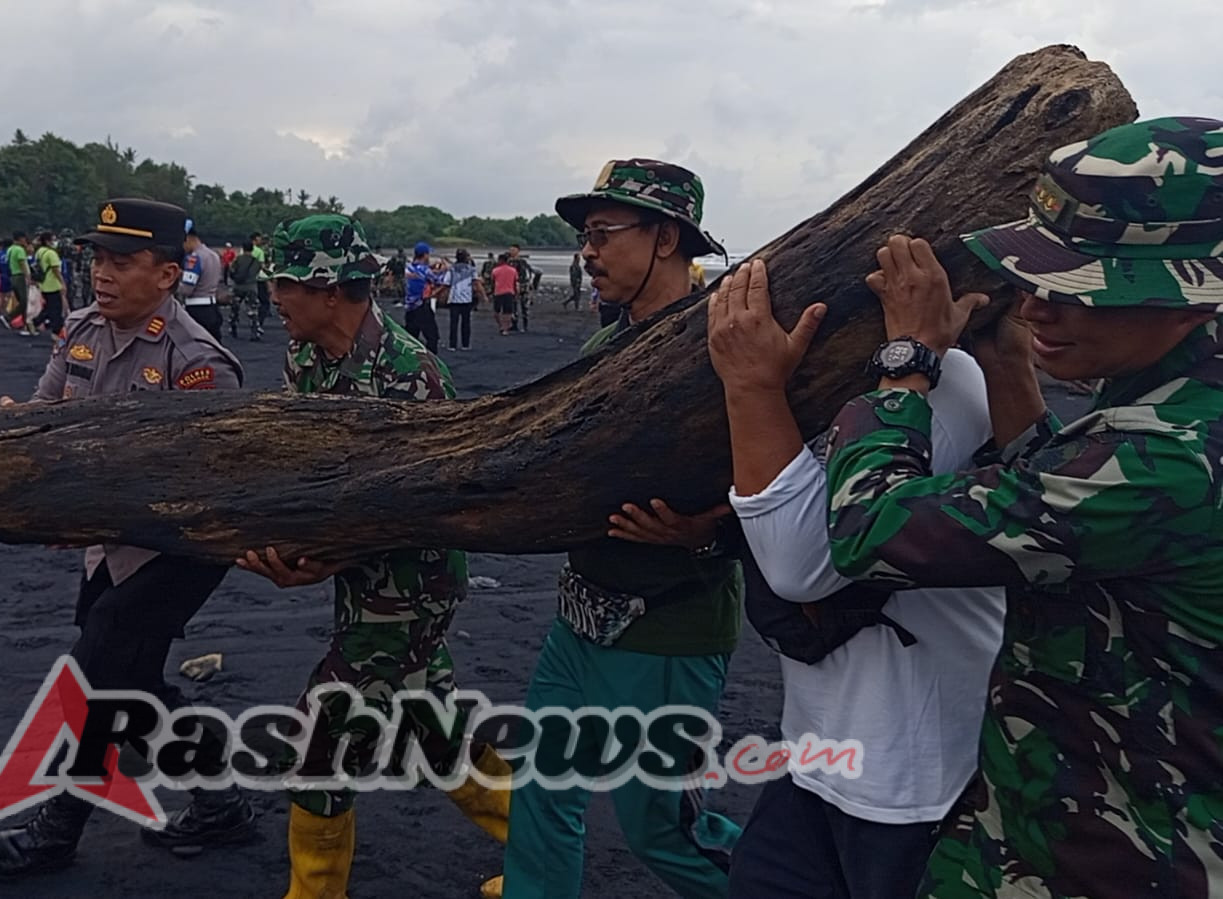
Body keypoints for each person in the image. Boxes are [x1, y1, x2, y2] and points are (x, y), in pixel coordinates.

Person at [822, 116, 1223, 899]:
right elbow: (1066, 516)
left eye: (1084, 291)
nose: (1040, 307)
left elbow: (868, 529)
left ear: (1189, 299)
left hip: (1098, 863)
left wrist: (904, 361)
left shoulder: (1168, 458)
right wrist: (1008, 366)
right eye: (1036, 279)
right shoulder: (1177, 406)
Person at [0, 199, 254, 883]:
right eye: (98, 258)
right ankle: (218, 802)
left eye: (122, 261)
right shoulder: (82, 328)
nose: (101, 273)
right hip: (108, 538)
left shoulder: (198, 364)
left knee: (94, 677)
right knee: (139, 684)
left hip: (180, 547)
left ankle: (55, 829)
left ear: (167, 274)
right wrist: (18, 438)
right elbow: (45, 416)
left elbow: (198, 488)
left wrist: (87, 509)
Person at [705, 257, 1007, 899]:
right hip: (817, 755)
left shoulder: (949, 384)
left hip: (918, 779)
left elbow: (803, 562)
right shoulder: (824, 398)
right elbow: (781, 507)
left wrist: (752, 389)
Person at [487, 159, 741, 899]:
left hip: (665, 631)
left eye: (602, 233)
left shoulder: (722, 343)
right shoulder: (599, 351)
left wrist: (703, 531)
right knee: (539, 792)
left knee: (662, 827)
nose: (586, 253)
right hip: (578, 620)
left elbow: (788, 472)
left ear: (665, 237)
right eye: (582, 237)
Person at [239, 214, 510, 898]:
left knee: (316, 744)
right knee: (437, 735)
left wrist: (327, 554)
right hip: (357, 579)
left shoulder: (410, 377)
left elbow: (429, 505)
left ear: (329, 288)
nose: (273, 295)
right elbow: (303, 470)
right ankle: (542, 857)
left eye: (285, 282)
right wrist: (296, 546)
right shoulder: (305, 357)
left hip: (411, 584)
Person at [177, 225, 224, 340]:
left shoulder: (194, 258)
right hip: (212, 307)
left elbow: (187, 289)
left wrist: (172, 284)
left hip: (197, 311)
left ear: (188, 238)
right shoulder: (213, 255)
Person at [402, 241, 441, 351]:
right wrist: (443, 270)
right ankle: (432, 361)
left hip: (409, 307)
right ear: (425, 255)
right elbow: (437, 280)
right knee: (432, 336)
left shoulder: (408, 267)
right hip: (421, 306)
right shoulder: (425, 270)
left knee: (411, 337)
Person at [445, 248, 484, 351]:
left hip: (454, 299)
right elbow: (476, 283)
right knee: (466, 323)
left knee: (453, 323)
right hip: (467, 299)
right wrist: (483, 295)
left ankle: (452, 345)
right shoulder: (471, 269)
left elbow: (446, 283)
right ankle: (465, 344)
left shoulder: (452, 269)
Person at [228, 235, 264, 340]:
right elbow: (258, 272)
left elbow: (231, 271)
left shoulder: (238, 260)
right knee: (253, 310)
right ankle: (254, 332)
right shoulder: (256, 261)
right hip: (251, 287)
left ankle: (232, 326)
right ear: (252, 249)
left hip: (238, 287)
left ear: (243, 248)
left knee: (234, 309)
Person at [32, 230, 65, 336]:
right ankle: (56, 331)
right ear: (47, 241)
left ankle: (36, 322)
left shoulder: (39, 252)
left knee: (48, 307)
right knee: (55, 309)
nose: (54, 242)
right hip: (53, 284)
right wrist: (62, 283)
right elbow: (56, 270)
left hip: (44, 284)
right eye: (53, 239)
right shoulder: (51, 253)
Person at [4, 231, 30, 327]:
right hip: (20, 276)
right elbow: (22, 264)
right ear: (20, 238)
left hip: (13, 276)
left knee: (22, 301)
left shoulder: (10, 249)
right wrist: (28, 276)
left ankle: (25, 322)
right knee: (24, 302)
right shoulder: (19, 250)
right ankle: (10, 317)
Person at [490, 253, 518, 336]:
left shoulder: (495, 270)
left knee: (496, 312)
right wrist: (516, 293)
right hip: (509, 292)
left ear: (500, 260)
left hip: (498, 292)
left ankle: (501, 326)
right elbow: (515, 282)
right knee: (508, 312)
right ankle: (505, 329)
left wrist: (491, 292)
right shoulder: (513, 270)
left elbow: (492, 282)